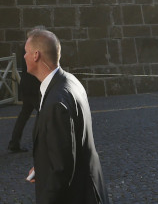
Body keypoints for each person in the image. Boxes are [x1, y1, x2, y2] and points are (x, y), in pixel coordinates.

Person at [24, 27, 109, 204]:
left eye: (26, 52)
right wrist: (43, 167)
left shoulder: (56, 102)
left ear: (36, 55)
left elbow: (62, 170)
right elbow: (66, 149)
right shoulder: (70, 80)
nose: (24, 56)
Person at [7, 56, 41, 153]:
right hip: (34, 87)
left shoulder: (26, 46)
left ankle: (14, 143)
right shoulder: (36, 46)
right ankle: (39, 144)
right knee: (44, 114)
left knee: (24, 115)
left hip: (26, 85)